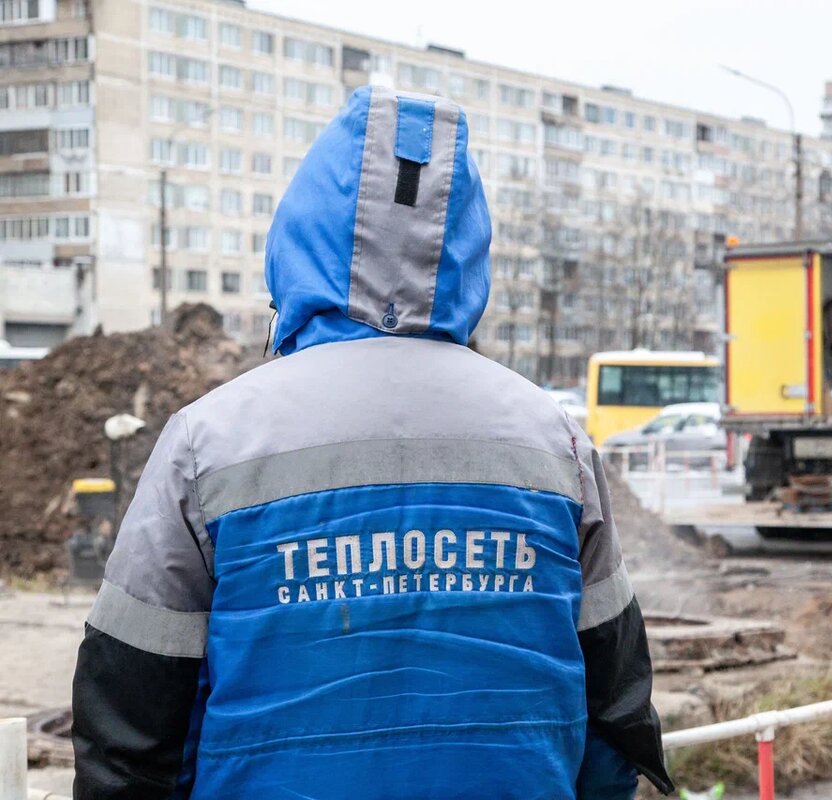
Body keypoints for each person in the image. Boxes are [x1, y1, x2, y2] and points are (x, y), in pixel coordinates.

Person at [71, 86, 674, 800]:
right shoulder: (554, 440)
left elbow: (129, 717)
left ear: (298, 237)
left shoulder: (209, 441)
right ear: (468, 247)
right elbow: (616, 709)